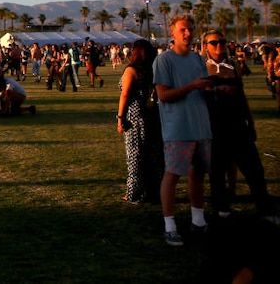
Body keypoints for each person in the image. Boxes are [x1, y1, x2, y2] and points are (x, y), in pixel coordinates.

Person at [202, 30, 276, 221]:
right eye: (214, 43)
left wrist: (250, 123)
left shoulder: (232, 66)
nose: (219, 46)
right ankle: (221, 207)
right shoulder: (202, 68)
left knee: (255, 170)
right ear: (205, 46)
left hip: (237, 125)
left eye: (222, 42)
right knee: (217, 171)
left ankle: (265, 207)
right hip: (215, 128)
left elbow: (242, 97)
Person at [153, 15, 214, 246]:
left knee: (198, 174)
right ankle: (170, 226)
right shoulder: (164, 61)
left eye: (190, 29)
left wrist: (213, 88)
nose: (187, 33)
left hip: (201, 126)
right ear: (173, 34)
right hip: (178, 128)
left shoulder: (199, 60)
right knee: (173, 175)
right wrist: (193, 86)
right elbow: (163, 95)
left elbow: (203, 89)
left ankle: (198, 221)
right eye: (183, 30)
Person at [117, 39, 163, 204]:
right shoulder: (152, 69)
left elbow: (125, 95)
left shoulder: (132, 70)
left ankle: (134, 193)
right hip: (152, 114)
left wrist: (120, 117)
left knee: (135, 155)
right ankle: (154, 191)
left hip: (135, 116)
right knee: (153, 155)